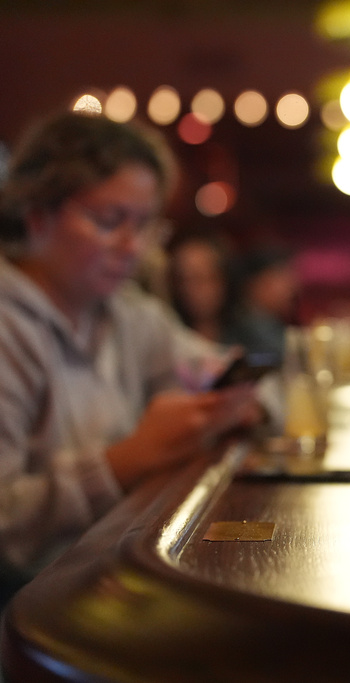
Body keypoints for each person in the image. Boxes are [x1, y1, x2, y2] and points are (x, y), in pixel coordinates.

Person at [0, 111, 263, 582]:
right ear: (36, 215)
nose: (133, 247)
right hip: (30, 607)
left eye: (144, 226)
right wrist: (131, 458)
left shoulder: (128, 314)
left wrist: (242, 402)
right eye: (109, 221)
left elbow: (229, 369)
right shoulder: (9, 327)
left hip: (111, 573)